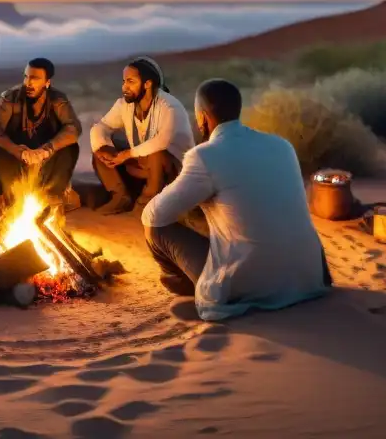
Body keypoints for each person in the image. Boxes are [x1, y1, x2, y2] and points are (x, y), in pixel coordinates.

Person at [141, 78, 332, 321]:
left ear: (201, 117)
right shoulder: (282, 146)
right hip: (308, 277)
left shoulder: (204, 156)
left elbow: (155, 215)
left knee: (154, 226)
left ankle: (185, 282)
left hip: (251, 284)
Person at [89, 56, 195, 214]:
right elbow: (102, 126)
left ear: (147, 84)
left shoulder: (169, 106)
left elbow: (162, 141)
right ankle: (121, 198)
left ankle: (147, 204)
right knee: (101, 150)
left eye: (130, 81)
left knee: (156, 153)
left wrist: (127, 154)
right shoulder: (124, 105)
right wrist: (104, 147)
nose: (125, 87)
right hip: (143, 166)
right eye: (124, 81)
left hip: (174, 171)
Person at [0, 57, 82, 212]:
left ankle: (55, 194)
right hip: (17, 159)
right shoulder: (11, 97)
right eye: (26, 76)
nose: (28, 83)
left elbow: (73, 128)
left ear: (47, 82)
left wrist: (46, 150)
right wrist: (16, 150)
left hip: (46, 160)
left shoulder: (57, 99)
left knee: (70, 147)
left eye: (34, 78)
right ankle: (6, 195)